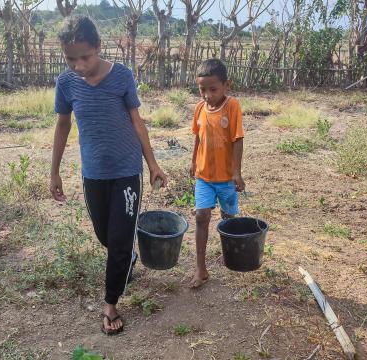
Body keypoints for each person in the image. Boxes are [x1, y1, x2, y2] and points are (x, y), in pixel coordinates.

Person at [50, 16, 167, 335]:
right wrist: (54, 171)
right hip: (94, 174)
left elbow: (136, 120)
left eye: (84, 57)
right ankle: (128, 257)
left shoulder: (121, 76)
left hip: (127, 171)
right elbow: (63, 125)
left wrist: (153, 163)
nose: (78, 65)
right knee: (105, 235)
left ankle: (111, 305)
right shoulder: (66, 84)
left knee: (117, 239)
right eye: (70, 58)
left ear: (98, 47)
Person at [188, 59, 245, 288]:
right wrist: (193, 162)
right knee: (201, 216)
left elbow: (237, 139)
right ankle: (201, 268)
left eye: (213, 89)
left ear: (226, 85)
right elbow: (197, 137)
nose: (207, 95)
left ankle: (229, 253)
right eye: (202, 90)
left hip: (226, 179)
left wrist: (237, 173)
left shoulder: (232, 106)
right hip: (204, 177)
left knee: (228, 218)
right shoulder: (200, 108)